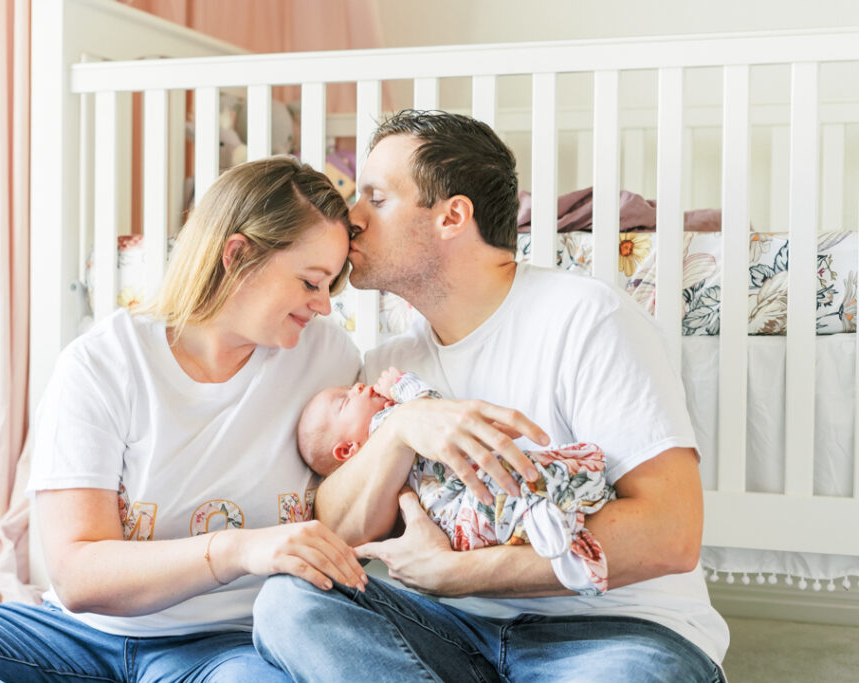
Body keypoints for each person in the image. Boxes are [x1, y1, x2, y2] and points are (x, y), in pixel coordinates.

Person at [0, 156, 369, 682]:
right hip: (79, 636)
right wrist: (238, 548)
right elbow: (78, 575)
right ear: (237, 255)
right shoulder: (104, 362)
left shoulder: (329, 360)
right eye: (309, 282)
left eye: (330, 287)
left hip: (226, 648)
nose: (322, 305)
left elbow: (359, 502)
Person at [253, 111, 730, 682]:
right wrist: (405, 428)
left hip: (612, 633)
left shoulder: (584, 317)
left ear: (452, 216)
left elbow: (669, 535)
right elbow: (339, 529)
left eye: (376, 199)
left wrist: (460, 573)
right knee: (288, 605)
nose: (349, 218)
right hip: (448, 629)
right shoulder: (387, 367)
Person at [297, 367, 614, 596]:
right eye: (344, 401)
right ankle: (548, 522)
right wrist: (404, 385)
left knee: (505, 502)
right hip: (467, 494)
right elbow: (435, 408)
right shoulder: (383, 424)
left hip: (455, 522)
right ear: (347, 449)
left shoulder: (381, 468)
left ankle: (559, 539)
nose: (358, 388)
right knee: (526, 482)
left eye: (351, 387)